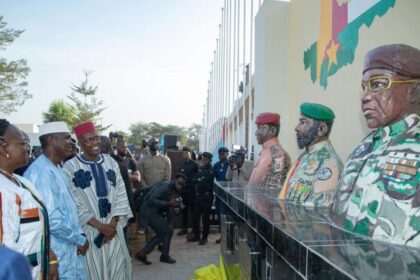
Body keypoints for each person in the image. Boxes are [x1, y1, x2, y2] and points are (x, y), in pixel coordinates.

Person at [332, 44, 420, 248]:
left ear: (414, 92)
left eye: (378, 84)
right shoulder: (363, 148)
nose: (365, 96)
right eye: (364, 86)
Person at [63, 121, 133, 280]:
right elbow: (72, 202)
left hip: (114, 231)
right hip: (90, 232)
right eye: (88, 140)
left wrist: (112, 225)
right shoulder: (70, 167)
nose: (94, 142)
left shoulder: (111, 162)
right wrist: (101, 227)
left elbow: (121, 193)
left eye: (96, 138)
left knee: (118, 270)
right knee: (93, 273)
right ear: (80, 143)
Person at [24, 122, 89, 280]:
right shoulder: (41, 173)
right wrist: (79, 238)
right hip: (56, 254)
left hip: (69, 250)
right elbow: (51, 219)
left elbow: (68, 211)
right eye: (66, 138)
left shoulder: (57, 168)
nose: (71, 142)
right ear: (51, 140)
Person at [0, 119, 58, 280]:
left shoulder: (21, 181)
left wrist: (50, 259)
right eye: (22, 143)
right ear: (2, 146)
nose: (28, 148)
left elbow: (36, 231)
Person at [278, 103, 343, 208]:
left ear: (321, 129)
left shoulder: (329, 164)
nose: (296, 127)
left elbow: (318, 213)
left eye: (303, 122)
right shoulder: (306, 156)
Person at [135, 173, 187, 265]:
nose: (180, 186)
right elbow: (151, 199)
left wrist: (179, 209)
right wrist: (168, 204)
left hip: (155, 212)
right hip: (148, 211)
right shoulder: (165, 186)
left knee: (165, 232)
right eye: (179, 183)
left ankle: (144, 253)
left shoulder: (175, 190)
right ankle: (162, 255)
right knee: (167, 231)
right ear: (175, 180)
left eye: (183, 185)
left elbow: (181, 204)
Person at [248, 112, 291, 189]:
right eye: (257, 128)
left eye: (261, 128)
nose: (256, 133)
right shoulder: (264, 152)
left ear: (272, 130)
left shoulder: (279, 156)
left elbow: (274, 190)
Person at [187, 152, 215, 245]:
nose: (204, 161)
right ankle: (196, 236)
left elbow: (205, 182)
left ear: (210, 160)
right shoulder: (200, 169)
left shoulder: (211, 170)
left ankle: (204, 238)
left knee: (206, 219)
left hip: (207, 197)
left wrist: (200, 180)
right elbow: (193, 180)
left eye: (206, 160)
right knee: (195, 217)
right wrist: (199, 180)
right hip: (199, 197)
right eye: (203, 159)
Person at [177, 146, 199, 236]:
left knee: (193, 211)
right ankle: (184, 228)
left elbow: (197, 177)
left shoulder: (195, 164)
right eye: (184, 153)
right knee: (183, 209)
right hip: (183, 191)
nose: (185, 155)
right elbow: (178, 175)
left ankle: (194, 229)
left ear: (190, 153)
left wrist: (187, 180)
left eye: (187, 153)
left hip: (192, 191)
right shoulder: (182, 164)